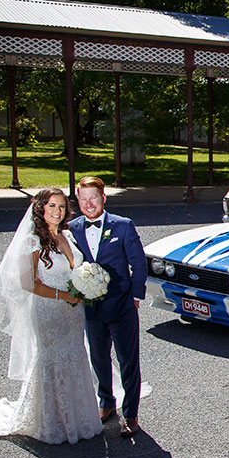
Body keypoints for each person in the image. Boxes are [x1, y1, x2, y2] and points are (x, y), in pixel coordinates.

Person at [0, 189, 103, 445]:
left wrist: (87, 283)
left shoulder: (67, 235)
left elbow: (75, 269)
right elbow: (28, 283)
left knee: (76, 355)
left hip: (73, 311)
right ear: (40, 209)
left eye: (61, 206)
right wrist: (62, 296)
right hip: (48, 310)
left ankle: (78, 417)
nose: (57, 211)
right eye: (52, 206)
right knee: (52, 358)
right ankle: (51, 420)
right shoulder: (32, 240)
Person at [69, 177, 148, 437]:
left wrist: (135, 297)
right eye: (83, 199)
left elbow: (138, 263)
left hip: (122, 305)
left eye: (93, 198)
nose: (89, 204)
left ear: (104, 199)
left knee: (128, 361)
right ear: (78, 201)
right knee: (98, 358)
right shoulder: (72, 229)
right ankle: (106, 403)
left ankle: (131, 413)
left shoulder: (123, 226)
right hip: (91, 309)